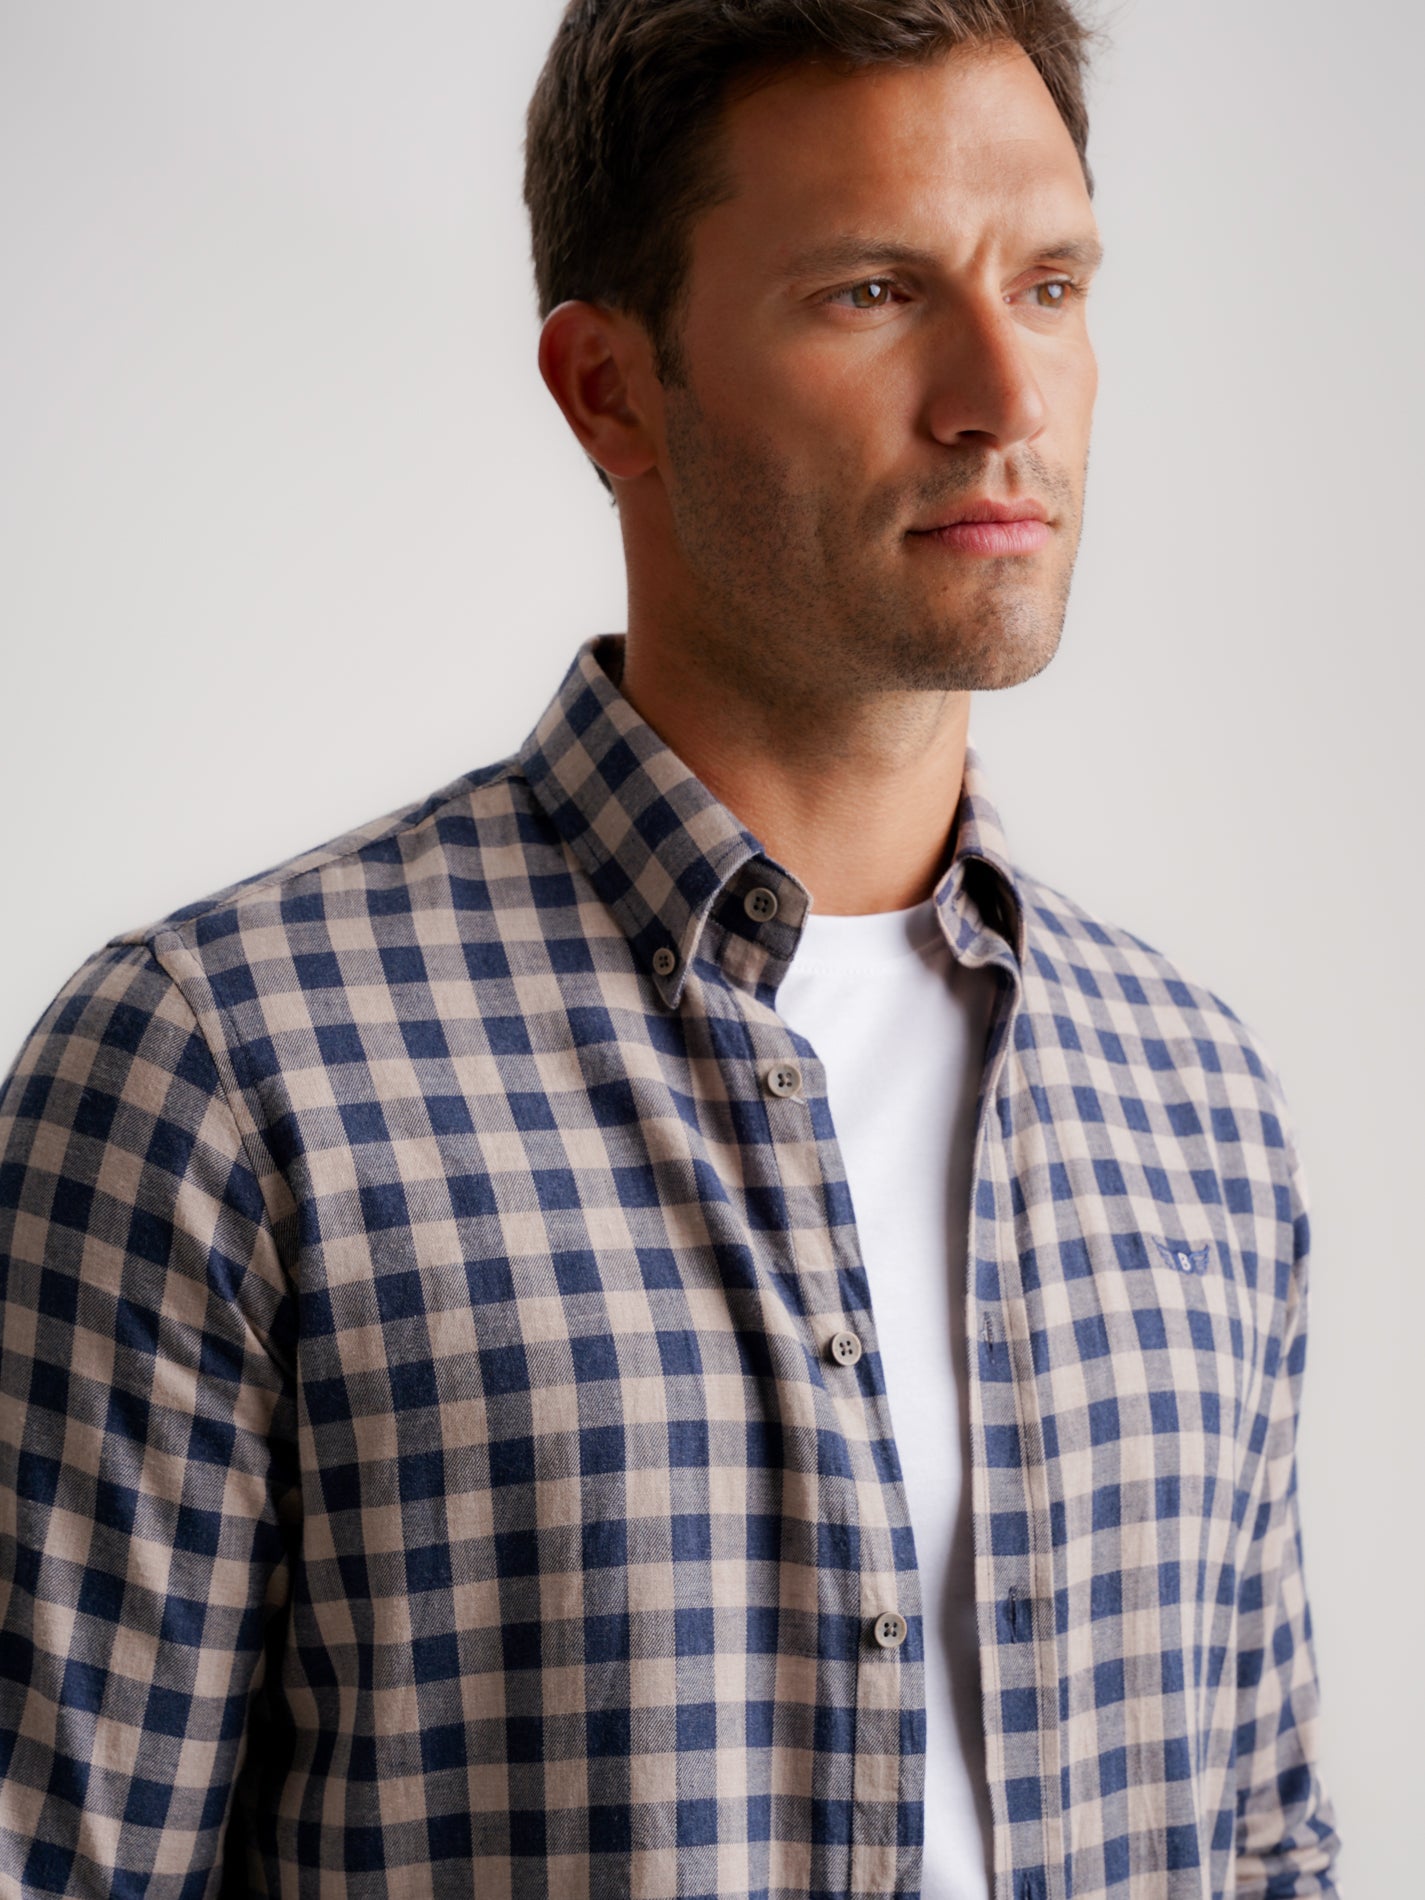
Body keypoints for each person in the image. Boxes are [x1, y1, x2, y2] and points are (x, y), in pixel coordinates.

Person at [0, 0, 1342, 1894]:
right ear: (609, 391)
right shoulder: (221, 1075)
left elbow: (1263, 1844)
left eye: (1048, 286)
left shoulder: (1191, 1098)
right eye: (871, 291)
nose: (1002, 397)